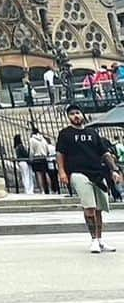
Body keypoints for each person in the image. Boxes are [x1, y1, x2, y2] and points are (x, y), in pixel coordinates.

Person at [55, 106, 122, 253]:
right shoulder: (65, 134)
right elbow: (60, 154)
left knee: (99, 208)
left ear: (82, 115)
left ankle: (99, 239)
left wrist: (114, 170)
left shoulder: (93, 133)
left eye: (77, 113)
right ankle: (93, 240)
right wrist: (62, 172)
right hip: (78, 172)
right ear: (68, 117)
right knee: (89, 207)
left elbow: (105, 153)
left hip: (97, 173)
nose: (75, 116)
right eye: (72, 114)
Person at [29, 129, 54, 194]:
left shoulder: (32, 140)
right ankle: (50, 189)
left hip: (36, 158)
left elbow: (31, 151)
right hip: (44, 158)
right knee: (46, 173)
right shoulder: (43, 140)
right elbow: (47, 150)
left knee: (39, 174)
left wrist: (31, 158)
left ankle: (42, 190)